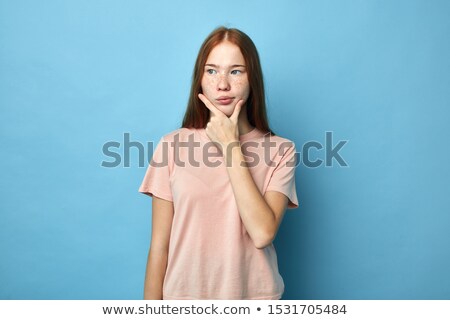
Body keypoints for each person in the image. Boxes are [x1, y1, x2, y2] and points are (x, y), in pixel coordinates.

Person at [139, 26, 299, 300]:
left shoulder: (281, 150)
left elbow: (262, 233)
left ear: (253, 79)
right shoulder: (171, 145)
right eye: (211, 71)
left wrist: (230, 146)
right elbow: (159, 247)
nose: (222, 84)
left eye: (236, 71)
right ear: (199, 79)